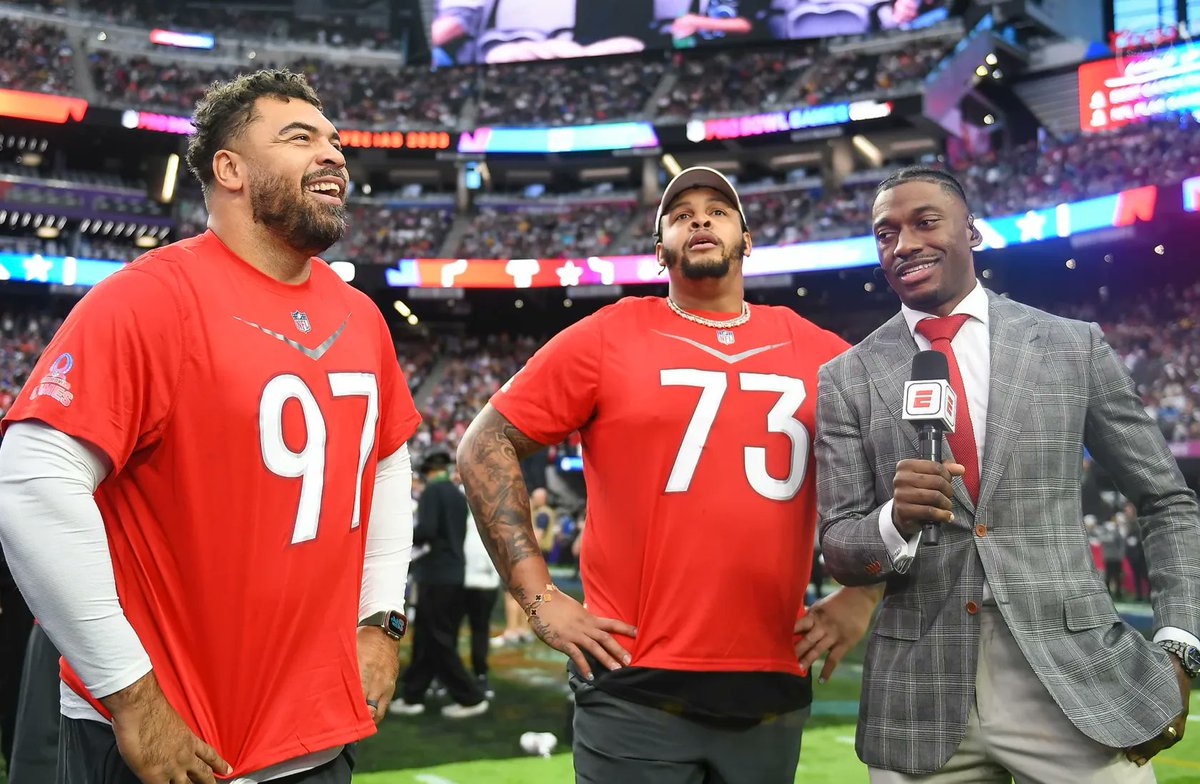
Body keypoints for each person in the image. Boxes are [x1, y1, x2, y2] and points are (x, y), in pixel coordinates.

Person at [0, 69, 421, 784]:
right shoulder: (148, 299)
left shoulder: (361, 317)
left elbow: (383, 460)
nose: (333, 154)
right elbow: (31, 481)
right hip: (168, 742)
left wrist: (380, 620)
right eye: (299, 138)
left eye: (333, 139)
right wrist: (131, 694)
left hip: (315, 737)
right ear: (229, 168)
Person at [457, 166, 880, 783]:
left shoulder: (819, 348)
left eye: (718, 210)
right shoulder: (609, 334)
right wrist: (538, 596)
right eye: (681, 214)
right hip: (634, 678)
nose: (700, 219)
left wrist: (863, 595)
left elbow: (904, 461)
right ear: (660, 251)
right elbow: (484, 443)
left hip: (771, 679)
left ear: (747, 238)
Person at [816, 165, 1200, 781]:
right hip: (920, 695)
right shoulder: (846, 377)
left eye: (925, 222)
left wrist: (1179, 646)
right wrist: (893, 521)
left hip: (1077, 676)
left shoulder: (1072, 346)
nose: (904, 243)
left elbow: (1166, 501)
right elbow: (837, 546)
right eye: (885, 233)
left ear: (972, 232)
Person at [390, 452, 489, 718]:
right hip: (452, 574)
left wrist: (400, 534)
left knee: (438, 639)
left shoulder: (433, 493)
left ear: (427, 471)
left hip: (436, 576)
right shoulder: (458, 496)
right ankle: (413, 695)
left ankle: (470, 696)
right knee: (426, 637)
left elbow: (428, 530)